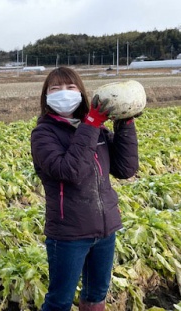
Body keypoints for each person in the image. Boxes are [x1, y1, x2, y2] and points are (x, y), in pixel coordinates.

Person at [30, 67, 139, 311]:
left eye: (70, 87)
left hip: (105, 229)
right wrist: (90, 125)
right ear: (46, 97)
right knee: (59, 301)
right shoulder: (43, 134)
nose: (64, 93)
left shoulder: (96, 129)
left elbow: (125, 168)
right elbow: (70, 172)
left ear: (81, 92)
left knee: (96, 295)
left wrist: (125, 124)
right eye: (55, 89)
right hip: (69, 234)